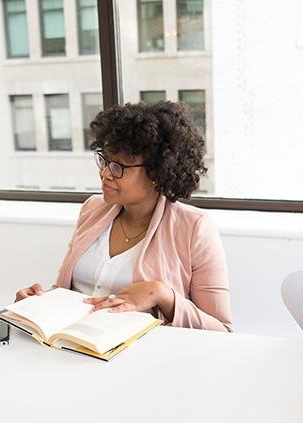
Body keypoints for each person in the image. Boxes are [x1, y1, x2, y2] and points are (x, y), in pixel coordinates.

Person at [15, 101, 231, 331]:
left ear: (157, 172)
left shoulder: (194, 228)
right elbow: (68, 293)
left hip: (143, 358)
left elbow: (222, 329)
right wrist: (38, 302)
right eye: (105, 160)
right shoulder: (92, 209)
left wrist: (164, 296)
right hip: (74, 347)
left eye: (119, 166)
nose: (105, 174)